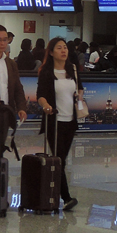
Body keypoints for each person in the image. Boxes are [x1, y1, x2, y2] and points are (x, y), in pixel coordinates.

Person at [36, 36, 84, 211]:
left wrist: (79, 96)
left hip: (69, 122)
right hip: (54, 122)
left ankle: (56, 195)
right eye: (59, 48)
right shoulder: (46, 72)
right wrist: (46, 106)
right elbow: (40, 95)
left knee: (61, 160)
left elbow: (80, 87)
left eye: (65, 47)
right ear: (51, 52)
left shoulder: (72, 69)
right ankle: (66, 197)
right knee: (59, 160)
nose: (63, 50)